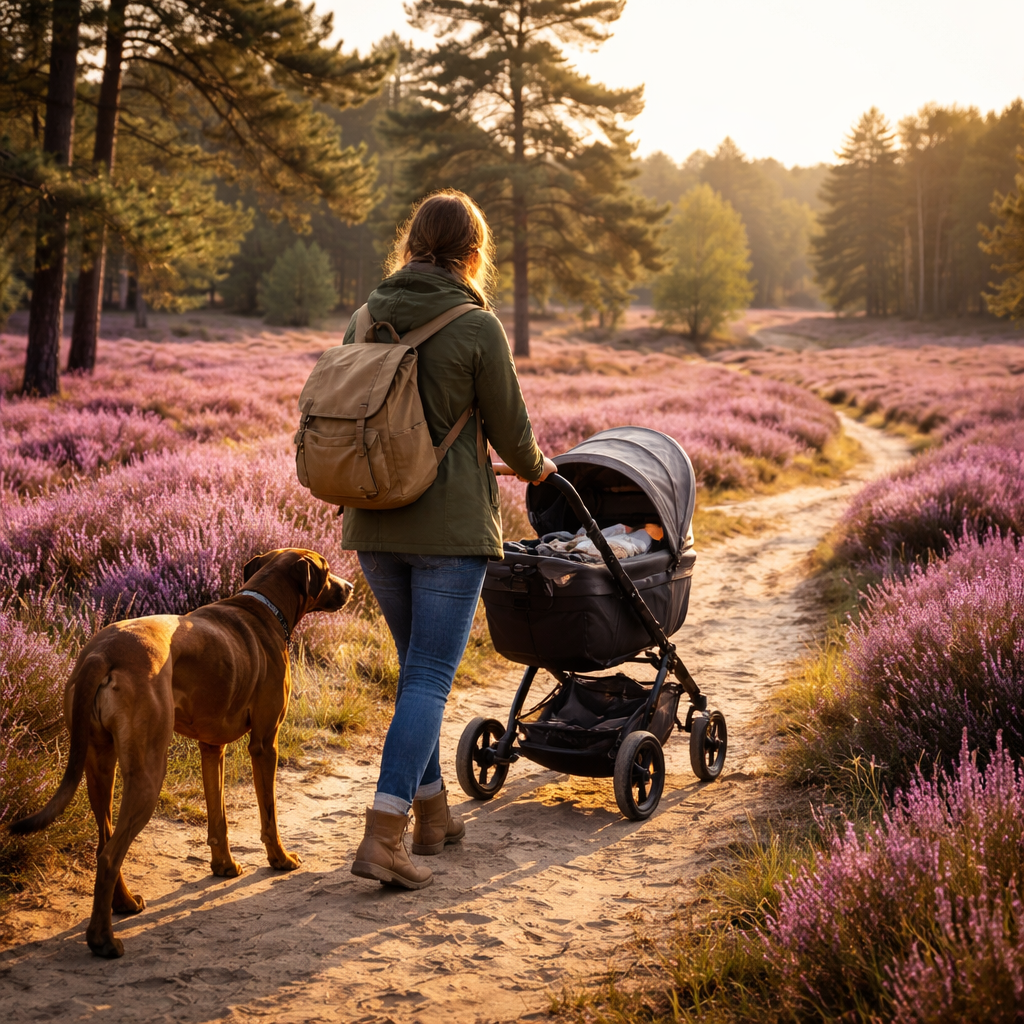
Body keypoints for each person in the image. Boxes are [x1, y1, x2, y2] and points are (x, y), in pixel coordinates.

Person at [346, 190, 556, 890]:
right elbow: (514, 436)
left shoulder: (364, 317)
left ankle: (433, 816)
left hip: (373, 523)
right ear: (474, 252)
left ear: (410, 245)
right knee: (430, 678)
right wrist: (540, 468)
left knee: (416, 674)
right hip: (449, 533)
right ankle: (385, 833)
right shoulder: (477, 325)